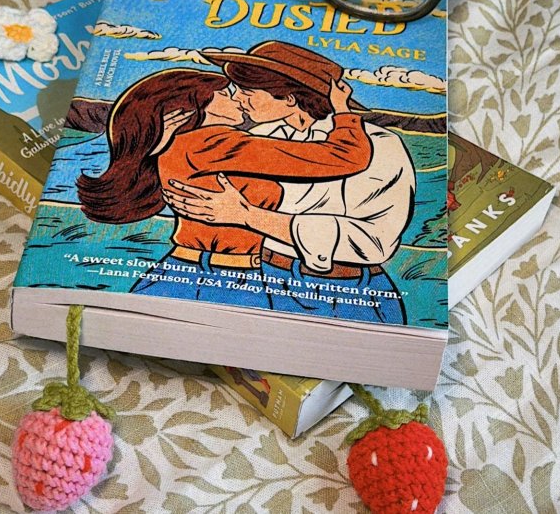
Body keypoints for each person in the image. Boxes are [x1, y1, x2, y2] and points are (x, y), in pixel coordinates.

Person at [163, 40, 416, 325]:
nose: (238, 99)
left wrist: (248, 216)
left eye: (247, 92)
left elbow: (373, 242)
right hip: (262, 279)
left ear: (290, 98)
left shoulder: (379, 145)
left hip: (346, 293)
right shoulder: (261, 136)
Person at [77, 66, 372, 309]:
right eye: (227, 93)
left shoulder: (174, 145)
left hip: (187, 268)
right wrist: (343, 112)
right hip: (225, 277)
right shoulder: (215, 143)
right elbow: (344, 158)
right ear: (197, 104)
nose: (238, 99)